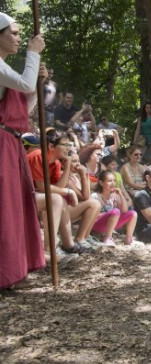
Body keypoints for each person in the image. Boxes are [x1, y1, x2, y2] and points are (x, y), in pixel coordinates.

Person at [0, 13, 47, 289]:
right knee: (5, 207)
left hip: (11, 143)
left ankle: (15, 269)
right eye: (15, 33)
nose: (19, 38)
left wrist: (37, 85)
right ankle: (6, 272)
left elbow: (20, 113)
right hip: (2, 146)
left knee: (14, 207)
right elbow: (26, 83)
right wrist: (33, 53)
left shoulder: (5, 69)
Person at [91, 171, 138, 246]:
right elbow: (92, 217)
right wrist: (108, 214)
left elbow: (125, 210)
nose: (113, 183)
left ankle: (129, 239)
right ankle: (108, 238)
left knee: (133, 213)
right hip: (96, 225)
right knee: (115, 211)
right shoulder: (95, 196)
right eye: (109, 181)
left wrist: (121, 195)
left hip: (110, 224)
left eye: (114, 180)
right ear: (101, 183)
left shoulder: (114, 196)